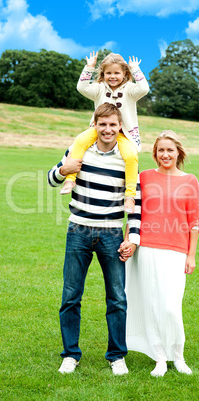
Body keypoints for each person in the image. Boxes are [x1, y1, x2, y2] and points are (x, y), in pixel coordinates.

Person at [47, 103, 141, 375]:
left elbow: (136, 201)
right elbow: (51, 178)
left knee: (117, 298)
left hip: (112, 233)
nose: (108, 129)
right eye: (103, 124)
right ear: (95, 125)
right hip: (78, 230)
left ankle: (116, 356)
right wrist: (64, 171)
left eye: (113, 124)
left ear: (119, 126)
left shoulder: (127, 156)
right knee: (71, 296)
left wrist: (132, 238)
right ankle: (70, 355)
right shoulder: (79, 149)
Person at [119, 131, 199, 377]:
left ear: (178, 152)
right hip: (146, 249)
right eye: (160, 150)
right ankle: (158, 356)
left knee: (170, 305)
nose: (165, 154)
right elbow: (134, 214)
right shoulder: (143, 177)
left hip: (177, 250)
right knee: (150, 303)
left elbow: (195, 221)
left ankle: (177, 355)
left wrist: (191, 255)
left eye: (170, 150)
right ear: (155, 154)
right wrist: (128, 241)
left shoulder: (190, 180)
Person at [60, 51, 149, 214]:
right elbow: (81, 87)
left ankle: (129, 196)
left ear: (124, 73)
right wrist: (89, 67)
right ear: (103, 73)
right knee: (79, 142)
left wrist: (136, 69)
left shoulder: (130, 90)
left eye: (117, 72)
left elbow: (144, 88)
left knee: (131, 156)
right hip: (98, 130)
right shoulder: (99, 89)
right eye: (108, 73)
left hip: (124, 134)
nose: (112, 76)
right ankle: (70, 180)